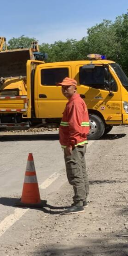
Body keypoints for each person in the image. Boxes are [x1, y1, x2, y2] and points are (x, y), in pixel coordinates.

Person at [57, 77, 90, 214]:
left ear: (75, 88)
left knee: (75, 172)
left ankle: (78, 202)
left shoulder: (74, 103)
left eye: (67, 87)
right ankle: (83, 199)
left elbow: (75, 126)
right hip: (79, 142)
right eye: (63, 87)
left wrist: (70, 144)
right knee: (81, 171)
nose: (64, 90)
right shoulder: (75, 101)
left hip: (74, 144)